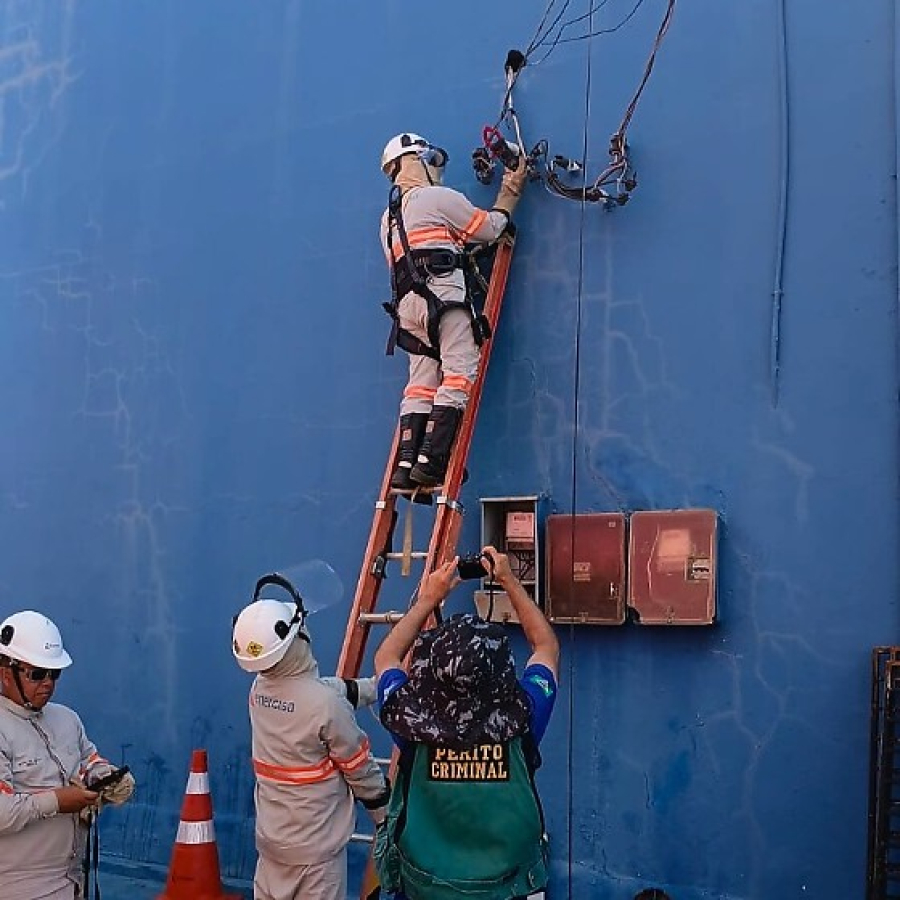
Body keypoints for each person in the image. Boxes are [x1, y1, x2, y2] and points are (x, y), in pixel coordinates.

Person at [373, 546, 559, 900]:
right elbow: (546, 646)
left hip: (425, 889)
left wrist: (429, 598)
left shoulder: (408, 719)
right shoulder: (525, 714)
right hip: (509, 888)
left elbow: (387, 656)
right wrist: (509, 581)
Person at [380, 132, 529, 491]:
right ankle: (432, 462)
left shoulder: (388, 219)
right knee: (459, 373)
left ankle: (405, 465)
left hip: (410, 314)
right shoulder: (437, 198)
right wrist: (510, 192)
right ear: (414, 161)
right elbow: (489, 229)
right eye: (430, 160)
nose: (435, 168)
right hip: (444, 301)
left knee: (420, 386)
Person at [232, 592, 390, 900]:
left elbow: (318, 693)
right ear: (296, 642)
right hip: (317, 852)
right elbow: (360, 770)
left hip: (273, 843)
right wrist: (385, 815)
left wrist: (374, 687)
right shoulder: (325, 705)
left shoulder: (259, 690)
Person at [0, 610, 135, 900]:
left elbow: (89, 761)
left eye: (54, 673)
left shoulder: (66, 720)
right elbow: (2, 812)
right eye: (37, 674)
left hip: (73, 882)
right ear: (5, 672)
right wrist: (59, 801)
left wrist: (105, 778)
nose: (48, 683)